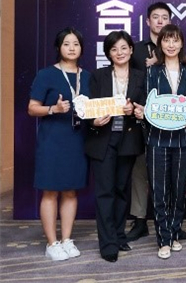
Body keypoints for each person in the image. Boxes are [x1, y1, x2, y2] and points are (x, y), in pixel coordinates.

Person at [27, 27, 91, 261]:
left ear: (81, 48)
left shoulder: (88, 76)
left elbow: (92, 108)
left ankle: (66, 239)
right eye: (66, 44)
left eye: (76, 44)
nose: (72, 48)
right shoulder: (46, 75)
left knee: (71, 191)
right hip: (52, 141)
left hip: (77, 140)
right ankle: (51, 243)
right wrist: (54, 108)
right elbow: (32, 108)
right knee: (50, 191)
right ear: (58, 47)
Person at [85, 31, 146, 262]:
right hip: (103, 139)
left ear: (131, 50)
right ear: (108, 54)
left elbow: (146, 106)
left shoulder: (141, 76)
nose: (119, 53)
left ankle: (119, 235)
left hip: (128, 139)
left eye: (123, 48)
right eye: (114, 49)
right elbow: (87, 108)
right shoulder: (98, 76)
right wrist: (94, 121)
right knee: (105, 191)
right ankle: (108, 243)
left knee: (122, 190)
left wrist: (137, 110)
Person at [143, 24, 186, 260]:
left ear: (182, 43)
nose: (171, 45)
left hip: (184, 139)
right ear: (160, 44)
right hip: (157, 139)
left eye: (175, 40)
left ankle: (175, 232)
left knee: (179, 190)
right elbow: (147, 103)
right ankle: (163, 238)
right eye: (166, 40)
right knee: (160, 191)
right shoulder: (152, 72)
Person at [127, 2, 173, 242]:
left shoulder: (175, 48)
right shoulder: (135, 50)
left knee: (167, 171)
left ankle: (168, 221)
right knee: (139, 170)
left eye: (165, 17)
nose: (160, 21)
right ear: (147, 21)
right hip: (139, 118)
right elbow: (127, 80)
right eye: (156, 17)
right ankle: (139, 220)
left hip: (168, 119)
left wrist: (159, 64)